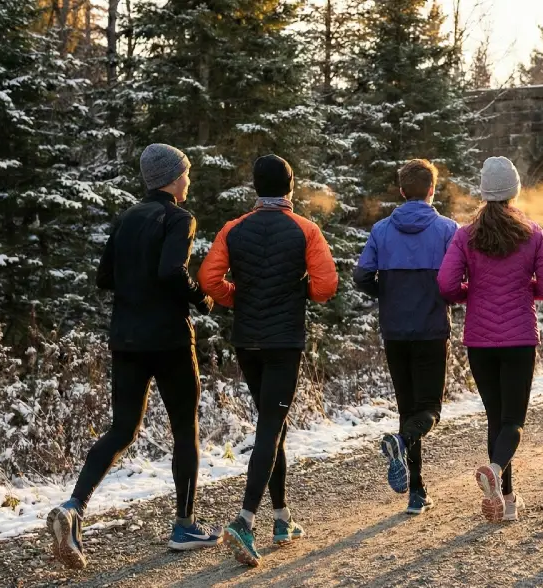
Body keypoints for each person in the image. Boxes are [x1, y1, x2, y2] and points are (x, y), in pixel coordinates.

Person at [47, 143, 219, 570]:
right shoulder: (180, 218)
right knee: (184, 428)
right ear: (172, 178)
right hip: (170, 341)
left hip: (125, 340)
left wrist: (133, 286)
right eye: (186, 173)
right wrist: (202, 298)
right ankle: (184, 525)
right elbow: (170, 271)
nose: (189, 179)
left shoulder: (126, 218)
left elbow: (104, 277)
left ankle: (74, 507)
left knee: (122, 428)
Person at [199, 154, 339, 567]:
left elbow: (208, 280)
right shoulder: (306, 229)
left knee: (270, 427)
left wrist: (235, 297)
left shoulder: (233, 229)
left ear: (255, 188)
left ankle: (282, 519)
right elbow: (326, 285)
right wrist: (302, 295)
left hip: (248, 341)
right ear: (290, 187)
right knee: (270, 428)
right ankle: (244, 519)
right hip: (283, 342)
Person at [437, 156, 543, 523]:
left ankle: (507, 498)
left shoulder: (466, 235)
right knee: (514, 421)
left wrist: (470, 295)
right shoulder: (532, 233)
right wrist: (527, 291)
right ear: (514, 192)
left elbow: (445, 284)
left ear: (483, 192)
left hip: (479, 339)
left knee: (496, 417)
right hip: (520, 338)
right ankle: (496, 474)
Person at [353, 159, 458, 515]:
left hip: (395, 330)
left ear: (401, 190)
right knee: (429, 410)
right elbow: (459, 278)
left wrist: (387, 293)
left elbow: (362, 275)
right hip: (431, 330)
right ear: (432, 190)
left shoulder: (382, 230)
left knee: (406, 407)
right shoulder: (447, 230)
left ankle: (417, 490)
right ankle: (401, 447)